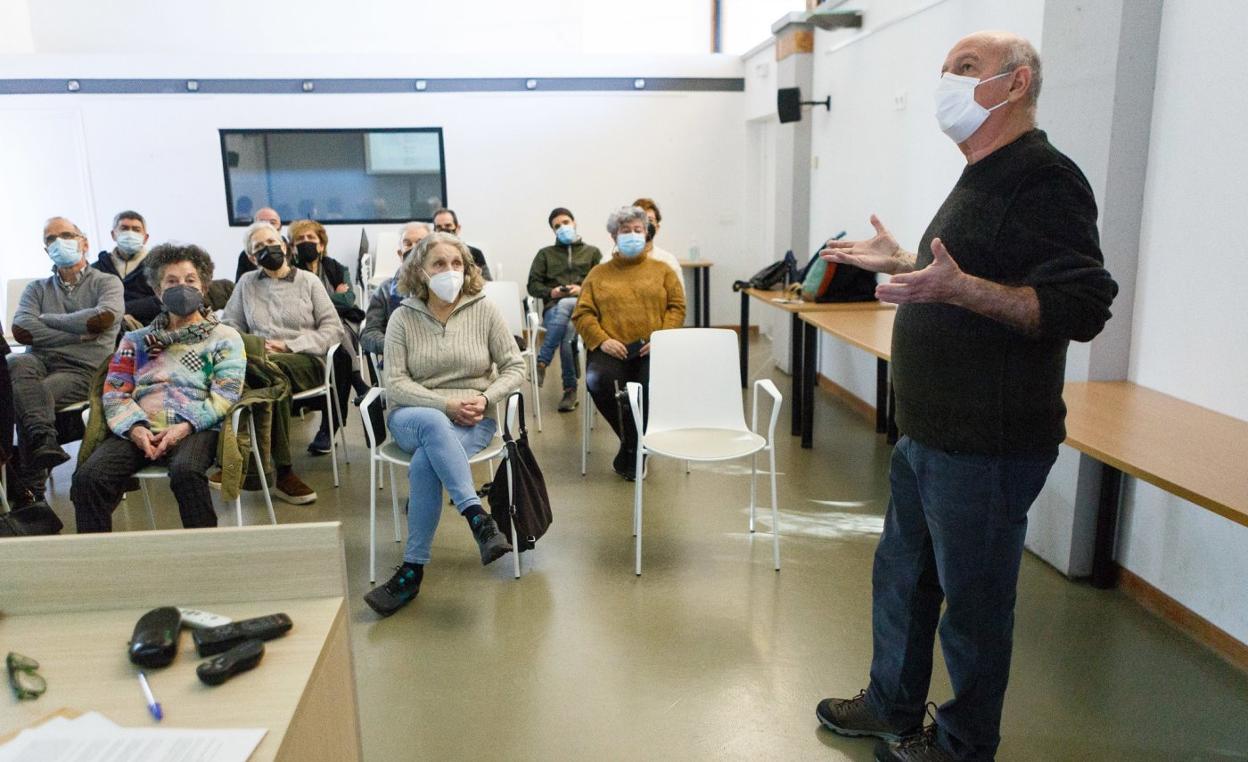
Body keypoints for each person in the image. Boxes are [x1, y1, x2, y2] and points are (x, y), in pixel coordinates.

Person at [813, 32, 1118, 762]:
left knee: (973, 611)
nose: (946, 82)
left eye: (966, 69)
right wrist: (905, 260)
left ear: (1016, 84)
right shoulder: (979, 174)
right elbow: (969, 271)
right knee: (903, 580)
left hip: (988, 443)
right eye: (945, 69)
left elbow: (1082, 305)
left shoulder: (1046, 177)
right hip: (927, 433)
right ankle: (891, 703)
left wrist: (960, 290)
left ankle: (962, 745)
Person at [363, 232, 524, 617]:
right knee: (434, 423)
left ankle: (412, 570)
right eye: (439, 263)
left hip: (473, 418)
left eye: (456, 263)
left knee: (425, 464)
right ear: (419, 270)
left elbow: (515, 366)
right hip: (412, 416)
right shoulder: (402, 317)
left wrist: (485, 399)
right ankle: (477, 516)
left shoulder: (484, 310)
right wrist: (445, 405)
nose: (449, 271)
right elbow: (395, 383)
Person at [71, 244, 246, 532]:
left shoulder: (225, 337)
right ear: (157, 290)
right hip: (140, 426)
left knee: (186, 472)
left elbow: (225, 394)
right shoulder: (135, 340)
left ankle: (205, 552)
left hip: (196, 426)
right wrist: (135, 429)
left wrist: (184, 427)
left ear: (203, 287)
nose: (182, 287)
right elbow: (115, 392)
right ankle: (97, 555)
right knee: (89, 478)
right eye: (171, 281)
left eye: (190, 280)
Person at [221, 221, 344, 504]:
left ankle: (247, 464)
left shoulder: (308, 281)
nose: (268, 249)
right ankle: (281, 474)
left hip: (305, 360)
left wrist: (290, 345)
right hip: (261, 362)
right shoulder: (246, 283)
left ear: (285, 246)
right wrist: (252, 344)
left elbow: (333, 329)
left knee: (266, 376)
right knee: (271, 380)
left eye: (272, 243)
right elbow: (229, 325)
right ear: (251, 257)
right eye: (259, 247)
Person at [6, 217, 124, 509]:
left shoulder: (107, 282)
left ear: (84, 242)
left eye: (67, 235)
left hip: (83, 370)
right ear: (46, 249)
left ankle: (31, 492)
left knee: (31, 396)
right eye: (51, 238)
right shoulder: (36, 289)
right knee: (14, 362)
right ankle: (43, 442)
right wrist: (79, 333)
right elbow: (22, 330)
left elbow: (102, 319)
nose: (59, 242)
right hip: (38, 361)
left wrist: (47, 321)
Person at [571, 206, 685, 480]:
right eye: (625, 230)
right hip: (612, 347)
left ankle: (632, 449)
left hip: (652, 347)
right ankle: (635, 444)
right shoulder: (598, 274)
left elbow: (677, 307)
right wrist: (602, 340)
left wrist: (661, 337)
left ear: (646, 233)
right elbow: (582, 313)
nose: (632, 235)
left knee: (649, 386)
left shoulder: (663, 270)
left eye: (638, 230)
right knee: (598, 380)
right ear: (614, 236)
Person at [289, 218, 368, 418]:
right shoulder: (291, 273)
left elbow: (348, 300)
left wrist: (317, 301)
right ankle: (358, 382)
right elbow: (297, 306)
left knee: (337, 327)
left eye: (310, 237)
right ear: (294, 247)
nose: (305, 242)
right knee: (335, 328)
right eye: (300, 239)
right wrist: (332, 296)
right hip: (308, 326)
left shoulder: (337, 268)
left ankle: (354, 385)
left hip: (342, 321)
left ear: (321, 245)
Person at [526, 207, 602, 413]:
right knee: (567, 331)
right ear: (553, 230)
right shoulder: (545, 254)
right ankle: (569, 389)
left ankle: (542, 363)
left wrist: (581, 289)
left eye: (565, 222)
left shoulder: (592, 253)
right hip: (553, 309)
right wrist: (552, 292)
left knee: (567, 305)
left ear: (574, 223)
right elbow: (532, 286)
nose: (562, 227)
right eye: (557, 226)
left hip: (585, 308)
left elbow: (602, 284)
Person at [360, 221, 431, 360]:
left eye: (420, 243)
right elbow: (369, 333)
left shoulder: (443, 288)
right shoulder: (385, 290)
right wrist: (396, 347)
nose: (414, 248)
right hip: (399, 362)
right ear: (400, 254)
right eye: (408, 244)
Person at [91, 210, 162, 325]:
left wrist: (120, 311)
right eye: (124, 229)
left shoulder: (158, 266)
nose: (130, 234)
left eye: (136, 230)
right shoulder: (97, 269)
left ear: (145, 237)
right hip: (106, 329)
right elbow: (88, 302)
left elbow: (162, 300)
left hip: (150, 329)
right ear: (113, 234)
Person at [432, 208, 492, 280]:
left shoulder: (475, 254)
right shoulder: (430, 255)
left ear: (458, 228)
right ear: (434, 231)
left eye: (448, 226)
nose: (443, 230)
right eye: (439, 227)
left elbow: (488, 282)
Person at [630, 197, 682, 279]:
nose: (644, 225)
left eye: (650, 220)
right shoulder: (613, 260)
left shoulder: (669, 261)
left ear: (657, 228)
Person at [235, 206, 283, 281]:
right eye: (262, 223)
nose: (267, 226)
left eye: (272, 222)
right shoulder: (245, 256)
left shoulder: (294, 250)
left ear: (280, 227)